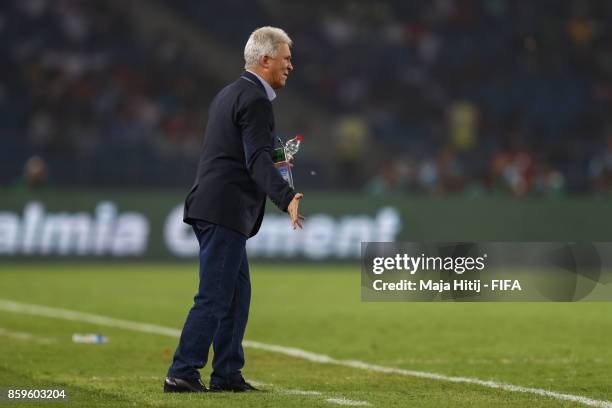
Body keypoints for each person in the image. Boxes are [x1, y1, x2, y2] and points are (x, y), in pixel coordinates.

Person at [164, 27, 304, 393]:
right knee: (214, 295)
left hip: (214, 205)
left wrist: (278, 155)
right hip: (224, 209)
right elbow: (255, 158)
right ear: (265, 59)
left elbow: (254, 147)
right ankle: (182, 371)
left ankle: (227, 373)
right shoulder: (255, 100)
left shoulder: (230, 94)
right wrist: (285, 196)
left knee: (236, 295)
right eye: (286, 58)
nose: (291, 65)